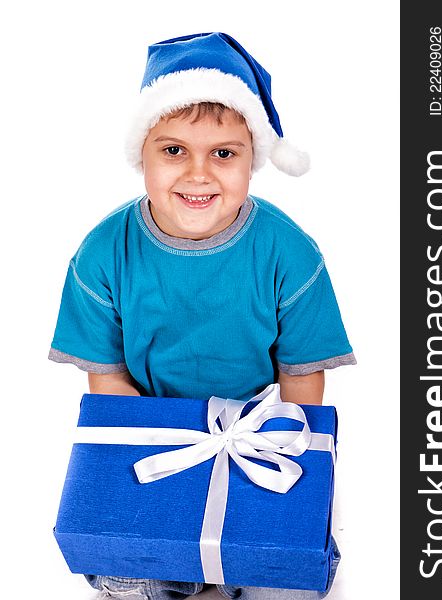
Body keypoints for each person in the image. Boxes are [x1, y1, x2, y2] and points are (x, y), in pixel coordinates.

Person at [49, 32, 355, 600]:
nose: (198, 174)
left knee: (284, 570)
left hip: (253, 431)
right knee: (125, 570)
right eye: (173, 150)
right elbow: (108, 378)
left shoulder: (290, 254)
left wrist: (271, 455)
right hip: (152, 432)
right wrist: (165, 483)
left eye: (223, 153)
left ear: (252, 159)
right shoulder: (101, 255)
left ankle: (234, 561)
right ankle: (168, 565)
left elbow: (301, 378)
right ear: (141, 154)